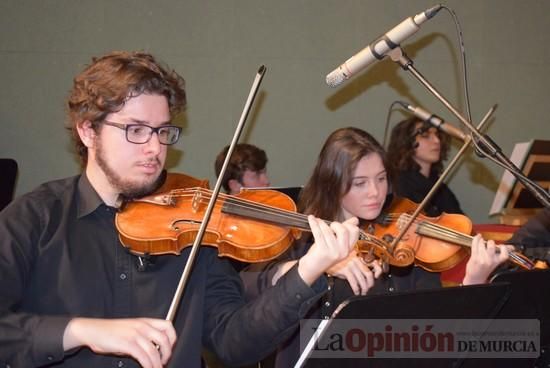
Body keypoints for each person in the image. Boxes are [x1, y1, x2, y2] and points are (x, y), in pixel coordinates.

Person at [0, 51, 361, 368]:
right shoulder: (34, 220)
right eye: (136, 130)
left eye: (162, 131)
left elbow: (233, 341)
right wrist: (77, 330)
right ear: (87, 132)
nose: (154, 148)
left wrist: (309, 270)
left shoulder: (194, 224)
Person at [241, 127, 510, 367]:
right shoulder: (303, 240)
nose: (375, 192)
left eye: (381, 179)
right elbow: (247, 290)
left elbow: (439, 334)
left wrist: (474, 279)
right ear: (332, 184)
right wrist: (317, 265)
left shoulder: (405, 245)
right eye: (360, 183)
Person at [386, 117, 463, 216]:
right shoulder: (399, 185)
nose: (437, 141)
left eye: (437, 134)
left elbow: (459, 220)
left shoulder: (439, 185)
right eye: (425, 135)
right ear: (407, 142)